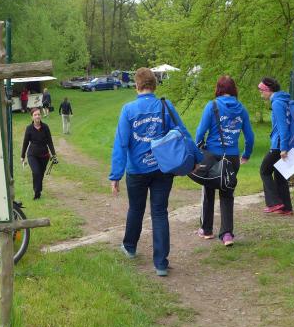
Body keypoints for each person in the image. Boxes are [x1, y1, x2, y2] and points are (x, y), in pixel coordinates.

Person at [109, 67, 194, 277]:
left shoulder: (128, 110)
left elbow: (121, 143)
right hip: (162, 168)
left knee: (135, 209)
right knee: (159, 212)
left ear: (137, 86)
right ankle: (161, 264)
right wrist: (196, 159)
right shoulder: (165, 105)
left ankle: (130, 247)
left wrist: (116, 175)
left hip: (136, 170)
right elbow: (183, 132)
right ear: (154, 85)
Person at [194, 75, 255, 246]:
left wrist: (198, 148)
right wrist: (246, 154)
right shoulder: (242, 109)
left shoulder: (212, 106)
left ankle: (206, 230)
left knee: (208, 190)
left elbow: (200, 132)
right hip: (232, 158)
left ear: (218, 89)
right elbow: (250, 136)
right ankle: (227, 234)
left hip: (212, 156)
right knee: (227, 194)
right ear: (234, 89)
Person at [258, 77, 293, 215]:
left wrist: (283, 148)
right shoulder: (284, 100)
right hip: (284, 143)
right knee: (280, 175)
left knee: (264, 170)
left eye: (262, 90)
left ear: (268, 90)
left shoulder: (277, 103)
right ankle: (286, 208)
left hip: (279, 144)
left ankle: (274, 203)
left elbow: (283, 127)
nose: (261, 93)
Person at [21, 108, 56, 200]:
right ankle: (37, 192)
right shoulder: (29, 128)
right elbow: (25, 142)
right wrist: (22, 156)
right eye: (35, 115)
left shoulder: (45, 127)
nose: (37, 116)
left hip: (44, 155)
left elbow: (50, 141)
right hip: (32, 155)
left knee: (40, 174)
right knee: (36, 172)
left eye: (39, 114)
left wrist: (54, 154)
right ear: (32, 117)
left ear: (41, 116)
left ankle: (38, 189)